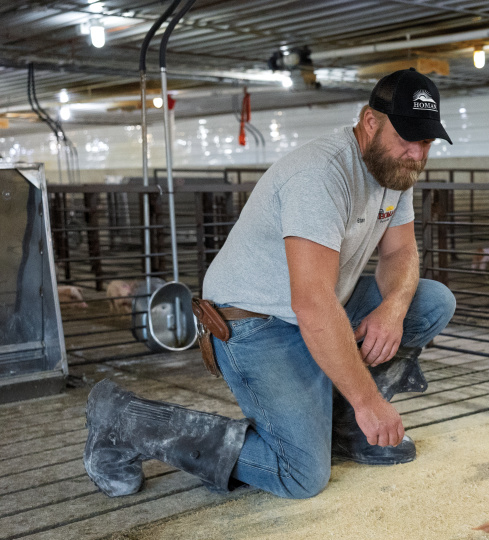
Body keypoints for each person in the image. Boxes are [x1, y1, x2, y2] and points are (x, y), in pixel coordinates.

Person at [83, 69, 456, 500]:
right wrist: (370, 400)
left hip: (317, 307)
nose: (415, 153)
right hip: (256, 323)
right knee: (299, 475)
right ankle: (128, 421)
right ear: (369, 122)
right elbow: (313, 304)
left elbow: (400, 254)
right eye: (406, 137)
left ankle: (345, 430)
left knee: (428, 301)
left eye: (425, 142)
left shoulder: (395, 169)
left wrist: (393, 308)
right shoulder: (321, 175)